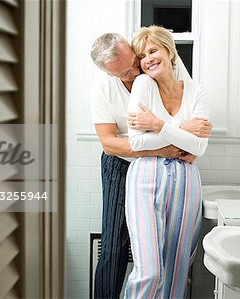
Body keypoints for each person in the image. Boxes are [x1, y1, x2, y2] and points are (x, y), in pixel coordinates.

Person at [90, 33, 211, 299]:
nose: (136, 71)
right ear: (111, 74)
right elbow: (110, 144)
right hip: (121, 164)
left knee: (174, 256)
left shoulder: (162, 71)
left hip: (169, 166)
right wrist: (174, 141)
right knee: (114, 247)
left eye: (135, 61)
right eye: (125, 72)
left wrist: (184, 140)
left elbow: (195, 128)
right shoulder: (105, 89)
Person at [124, 25, 210, 298]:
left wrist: (157, 125)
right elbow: (138, 142)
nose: (147, 59)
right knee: (150, 271)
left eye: (153, 50)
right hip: (145, 177)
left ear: (169, 51)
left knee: (176, 270)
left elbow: (199, 146)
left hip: (186, 183)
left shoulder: (197, 91)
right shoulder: (143, 85)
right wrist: (183, 129)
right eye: (142, 56)